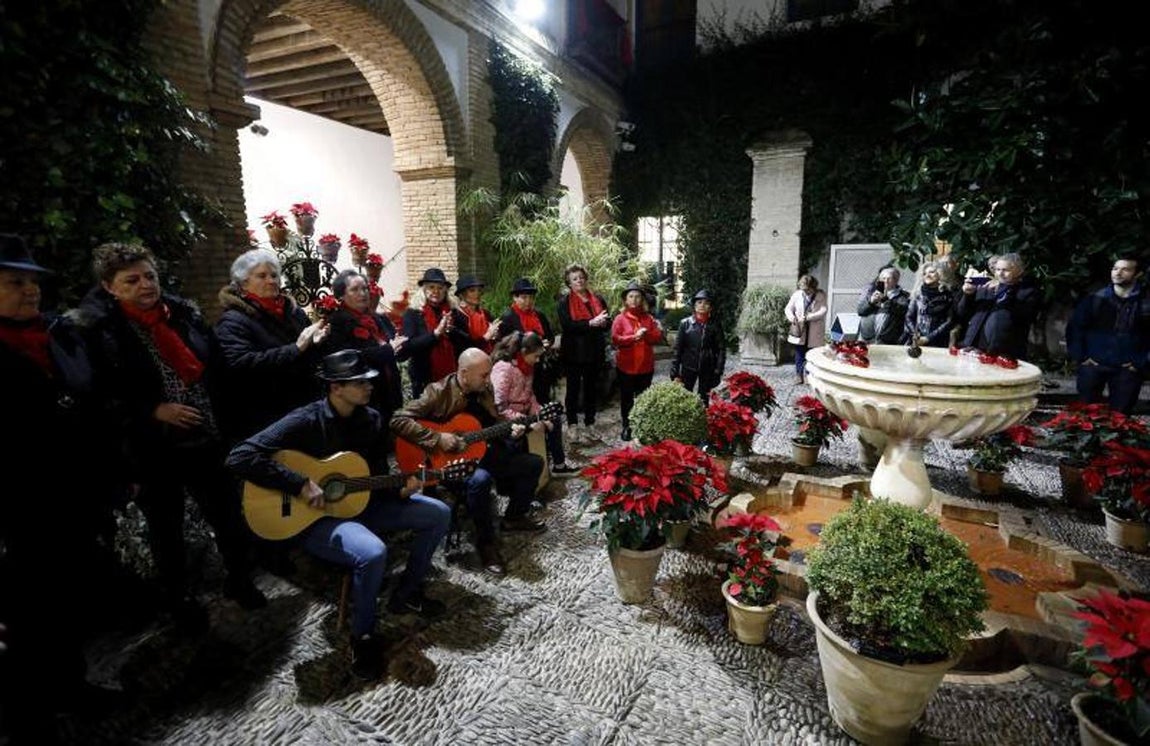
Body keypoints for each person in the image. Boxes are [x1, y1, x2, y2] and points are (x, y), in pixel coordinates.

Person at [226, 350, 451, 680]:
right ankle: (363, 636)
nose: (369, 387)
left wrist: (401, 487)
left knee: (438, 513)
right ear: (335, 387)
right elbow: (239, 456)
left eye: (368, 381)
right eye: (360, 382)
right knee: (372, 552)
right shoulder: (305, 420)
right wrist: (299, 482)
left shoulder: (371, 419)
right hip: (315, 517)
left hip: (362, 503)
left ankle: (406, 595)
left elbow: (372, 475)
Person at [78, 241, 266, 629]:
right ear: (110, 287)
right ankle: (179, 600)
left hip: (205, 437)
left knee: (228, 515)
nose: (146, 285)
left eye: (150, 276)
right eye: (132, 280)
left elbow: (214, 368)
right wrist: (151, 410)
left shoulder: (182, 315)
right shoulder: (101, 332)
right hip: (154, 448)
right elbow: (98, 394)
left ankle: (240, 579)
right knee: (167, 527)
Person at [0, 235, 126, 736]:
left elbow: (89, 406)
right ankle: (32, 713)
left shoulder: (53, 336)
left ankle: (73, 686)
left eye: (32, 282)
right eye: (15, 282)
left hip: (72, 496)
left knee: (68, 603)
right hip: (21, 507)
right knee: (28, 614)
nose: (30, 291)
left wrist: (112, 473)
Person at [391, 348, 545, 577]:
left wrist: (511, 430)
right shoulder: (437, 392)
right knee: (480, 480)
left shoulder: (485, 389)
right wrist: (438, 438)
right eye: (483, 374)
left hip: (484, 451)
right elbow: (397, 419)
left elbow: (493, 422)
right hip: (451, 462)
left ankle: (514, 516)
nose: (488, 379)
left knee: (533, 463)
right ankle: (486, 544)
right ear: (464, 373)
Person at [214, 248, 329, 445]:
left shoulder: (292, 312)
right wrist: (296, 348)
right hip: (266, 415)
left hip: (304, 407)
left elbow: (307, 357)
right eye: (262, 276)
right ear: (243, 284)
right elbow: (240, 364)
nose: (271, 280)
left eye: (274, 275)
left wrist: (316, 343)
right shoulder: (233, 321)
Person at [1066, 257, 1150, 414]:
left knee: (1121, 417)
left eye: (1125, 269)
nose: (1118, 273)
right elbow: (1075, 329)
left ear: (1138, 274)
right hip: (1093, 365)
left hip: (1128, 368)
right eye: (1115, 268)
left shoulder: (1145, 302)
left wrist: (1141, 362)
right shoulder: (1095, 299)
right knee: (1086, 415)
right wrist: (1082, 357)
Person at [321, 269, 406, 424]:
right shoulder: (337, 322)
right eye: (355, 289)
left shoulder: (378, 318)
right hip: (363, 395)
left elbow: (396, 346)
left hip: (389, 391)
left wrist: (400, 345)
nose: (363, 293)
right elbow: (348, 358)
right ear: (341, 295)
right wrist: (387, 350)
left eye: (365, 288)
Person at [491, 331, 577, 475]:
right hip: (507, 419)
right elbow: (499, 406)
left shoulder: (527, 366)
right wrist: (527, 421)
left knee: (553, 419)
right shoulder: (504, 368)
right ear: (524, 352)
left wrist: (540, 414)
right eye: (536, 356)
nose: (538, 360)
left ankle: (559, 465)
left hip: (525, 413)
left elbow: (530, 395)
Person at [555, 264, 610, 442]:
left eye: (581, 277)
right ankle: (572, 425)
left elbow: (608, 321)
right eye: (575, 279)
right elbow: (568, 326)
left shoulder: (598, 299)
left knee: (591, 390)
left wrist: (603, 323)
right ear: (569, 283)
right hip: (573, 353)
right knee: (572, 390)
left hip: (594, 351)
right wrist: (591, 323)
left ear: (586, 278)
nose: (579, 281)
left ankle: (590, 423)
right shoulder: (564, 301)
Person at [956, 252, 1040, 361]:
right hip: (973, 349)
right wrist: (968, 295)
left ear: (1019, 271)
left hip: (1004, 354)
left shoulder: (1027, 292)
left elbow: (1023, 317)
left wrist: (1005, 288)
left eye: (1006, 270)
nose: (1000, 274)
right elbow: (962, 313)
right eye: (998, 270)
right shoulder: (986, 288)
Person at [611, 280, 663, 441]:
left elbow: (657, 337)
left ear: (642, 300)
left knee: (642, 399)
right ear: (626, 300)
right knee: (627, 399)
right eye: (631, 296)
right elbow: (615, 339)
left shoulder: (648, 318)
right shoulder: (620, 319)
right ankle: (627, 426)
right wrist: (634, 337)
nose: (634, 300)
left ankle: (641, 426)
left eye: (638, 297)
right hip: (626, 367)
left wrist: (646, 334)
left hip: (645, 367)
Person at [497, 277, 557, 408]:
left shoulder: (539, 315)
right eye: (524, 298)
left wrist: (546, 343)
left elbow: (550, 336)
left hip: (539, 364)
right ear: (515, 298)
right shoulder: (508, 317)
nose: (528, 301)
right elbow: (504, 345)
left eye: (531, 298)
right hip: (519, 368)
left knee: (542, 397)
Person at [398, 267, 455, 399]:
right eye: (431, 287)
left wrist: (451, 331)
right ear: (424, 289)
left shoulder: (453, 312)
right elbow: (407, 347)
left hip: (451, 376)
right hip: (424, 378)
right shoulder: (413, 313)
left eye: (440, 288)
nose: (436, 291)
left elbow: (462, 343)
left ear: (445, 291)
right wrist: (435, 334)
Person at [671, 288, 726, 400]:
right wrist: (675, 371)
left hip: (708, 366)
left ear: (710, 307)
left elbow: (721, 349)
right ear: (694, 305)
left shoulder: (715, 326)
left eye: (706, 303)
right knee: (685, 396)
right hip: (688, 366)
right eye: (699, 302)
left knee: (704, 397)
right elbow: (678, 348)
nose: (702, 305)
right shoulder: (685, 324)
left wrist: (718, 370)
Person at [783, 276, 827, 384]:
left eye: (807, 289)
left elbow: (823, 310)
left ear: (813, 287)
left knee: (811, 354)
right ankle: (798, 375)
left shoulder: (820, 295)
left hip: (814, 329)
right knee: (799, 353)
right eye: (803, 289)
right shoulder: (797, 294)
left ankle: (808, 375)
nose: (805, 292)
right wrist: (791, 317)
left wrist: (809, 317)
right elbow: (788, 308)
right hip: (800, 329)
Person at [904, 261, 958, 348]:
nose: (927, 275)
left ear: (940, 274)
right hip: (916, 341)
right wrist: (915, 334)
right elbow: (909, 317)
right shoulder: (918, 294)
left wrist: (928, 338)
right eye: (924, 273)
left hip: (938, 341)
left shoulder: (948, 296)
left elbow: (949, 321)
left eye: (931, 272)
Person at [856, 266, 910, 344]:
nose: (886, 281)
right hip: (867, 340)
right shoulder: (870, 293)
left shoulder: (903, 296)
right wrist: (871, 302)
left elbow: (903, 310)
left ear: (896, 280)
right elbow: (860, 311)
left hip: (888, 342)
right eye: (883, 278)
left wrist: (886, 300)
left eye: (889, 278)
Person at [450, 275, 500, 355]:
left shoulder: (486, 314)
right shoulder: (456, 316)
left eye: (479, 290)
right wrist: (487, 336)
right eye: (472, 290)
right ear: (461, 295)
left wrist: (496, 334)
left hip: (489, 358)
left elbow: (496, 335)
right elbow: (464, 346)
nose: (477, 294)